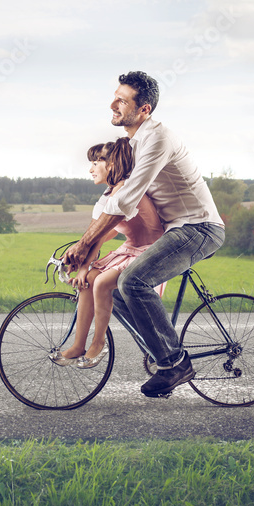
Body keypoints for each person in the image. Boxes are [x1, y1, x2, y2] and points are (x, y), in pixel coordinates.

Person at [63, 71, 225, 398]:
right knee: (113, 288)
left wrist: (84, 244)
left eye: (122, 100)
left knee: (132, 281)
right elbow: (115, 203)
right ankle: (161, 353)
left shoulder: (158, 140)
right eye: (115, 96)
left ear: (144, 109)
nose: (113, 103)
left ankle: (174, 362)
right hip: (177, 230)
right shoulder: (135, 144)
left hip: (198, 228)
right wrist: (85, 246)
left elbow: (127, 199)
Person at [51, 138, 165, 369]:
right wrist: (83, 270)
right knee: (88, 281)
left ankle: (98, 342)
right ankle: (78, 345)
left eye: (96, 162)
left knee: (101, 282)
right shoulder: (106, 197)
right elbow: (98, 236)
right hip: (130, 249)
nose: (91, 168)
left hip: (152, 252)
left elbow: (102, 233)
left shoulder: (127, 192)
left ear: (111, 164)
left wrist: (87, 267)